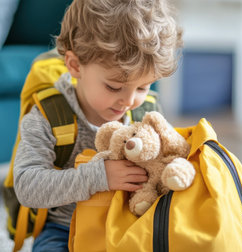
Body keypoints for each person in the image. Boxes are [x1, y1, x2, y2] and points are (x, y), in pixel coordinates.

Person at [13, 0, 183, 251]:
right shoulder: (47, 117)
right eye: (114, 87)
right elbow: (27, 186)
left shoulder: (146, 111)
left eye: (143, 87)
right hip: (65, 229)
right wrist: (99, 177)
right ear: (75, 65)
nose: (128, 101)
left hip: (131, 227)